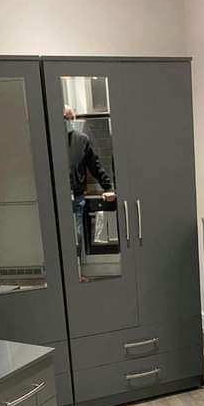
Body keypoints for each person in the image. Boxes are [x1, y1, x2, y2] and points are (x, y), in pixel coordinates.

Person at [64, 105, 116, 279]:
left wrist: (108, 187)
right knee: (60, 239)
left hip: (76, 197)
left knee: (76, 238)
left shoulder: (81, 140)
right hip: (55, 199)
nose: (68, 121)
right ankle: (67, 278)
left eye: (70, 118)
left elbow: (95, 166)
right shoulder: (50, 141)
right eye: (65, 118)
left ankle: (75, 275)